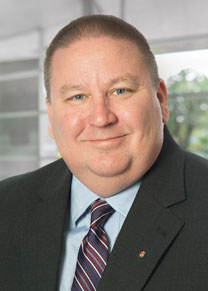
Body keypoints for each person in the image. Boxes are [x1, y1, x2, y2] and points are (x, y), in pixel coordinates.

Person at [0, 14, 208, 291]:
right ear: (51, 115)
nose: (100, 118)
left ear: (161, 100)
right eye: (77, 96)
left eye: (120, 90)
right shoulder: (7, 206)